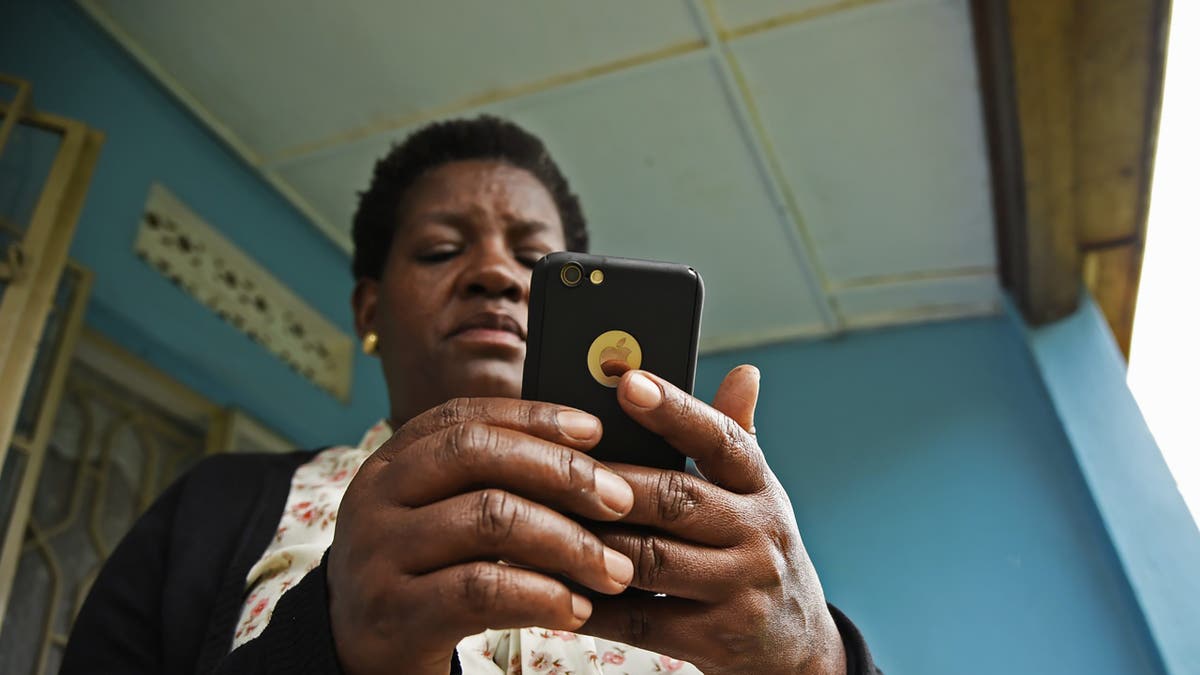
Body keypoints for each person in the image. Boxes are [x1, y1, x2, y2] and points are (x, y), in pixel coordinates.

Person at [61, 116, 881, 674]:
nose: (495, 273)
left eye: (537, 260)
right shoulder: (212, 505)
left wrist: (823, 659)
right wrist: (333, 644)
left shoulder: (713, 550)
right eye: (442, 249)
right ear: (369, 308)